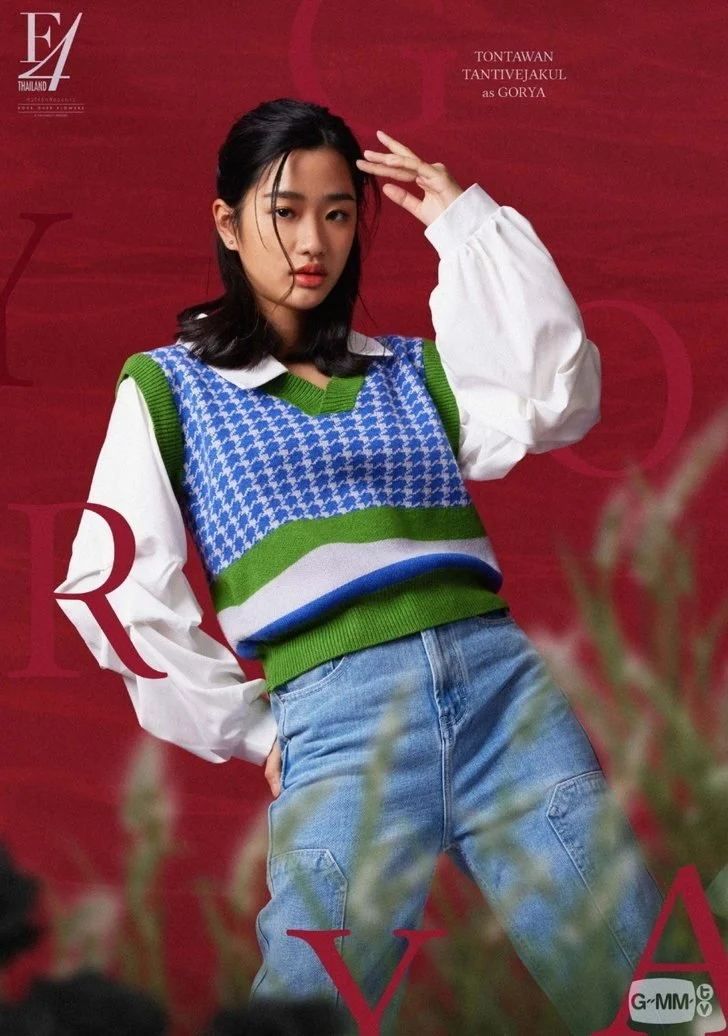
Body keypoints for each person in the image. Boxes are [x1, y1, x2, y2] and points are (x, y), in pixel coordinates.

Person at [54, 98, 667, 1035]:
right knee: (309, 1013)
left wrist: (466, 226)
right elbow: (110, 585)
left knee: (652, 991)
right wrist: (251, 729)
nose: (314, 241)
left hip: (507, 698)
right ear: (227, 223)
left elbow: (554, 396)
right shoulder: (172, 387)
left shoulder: (411, 371)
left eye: (338, 213)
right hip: (341, 723)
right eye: (285, 210)